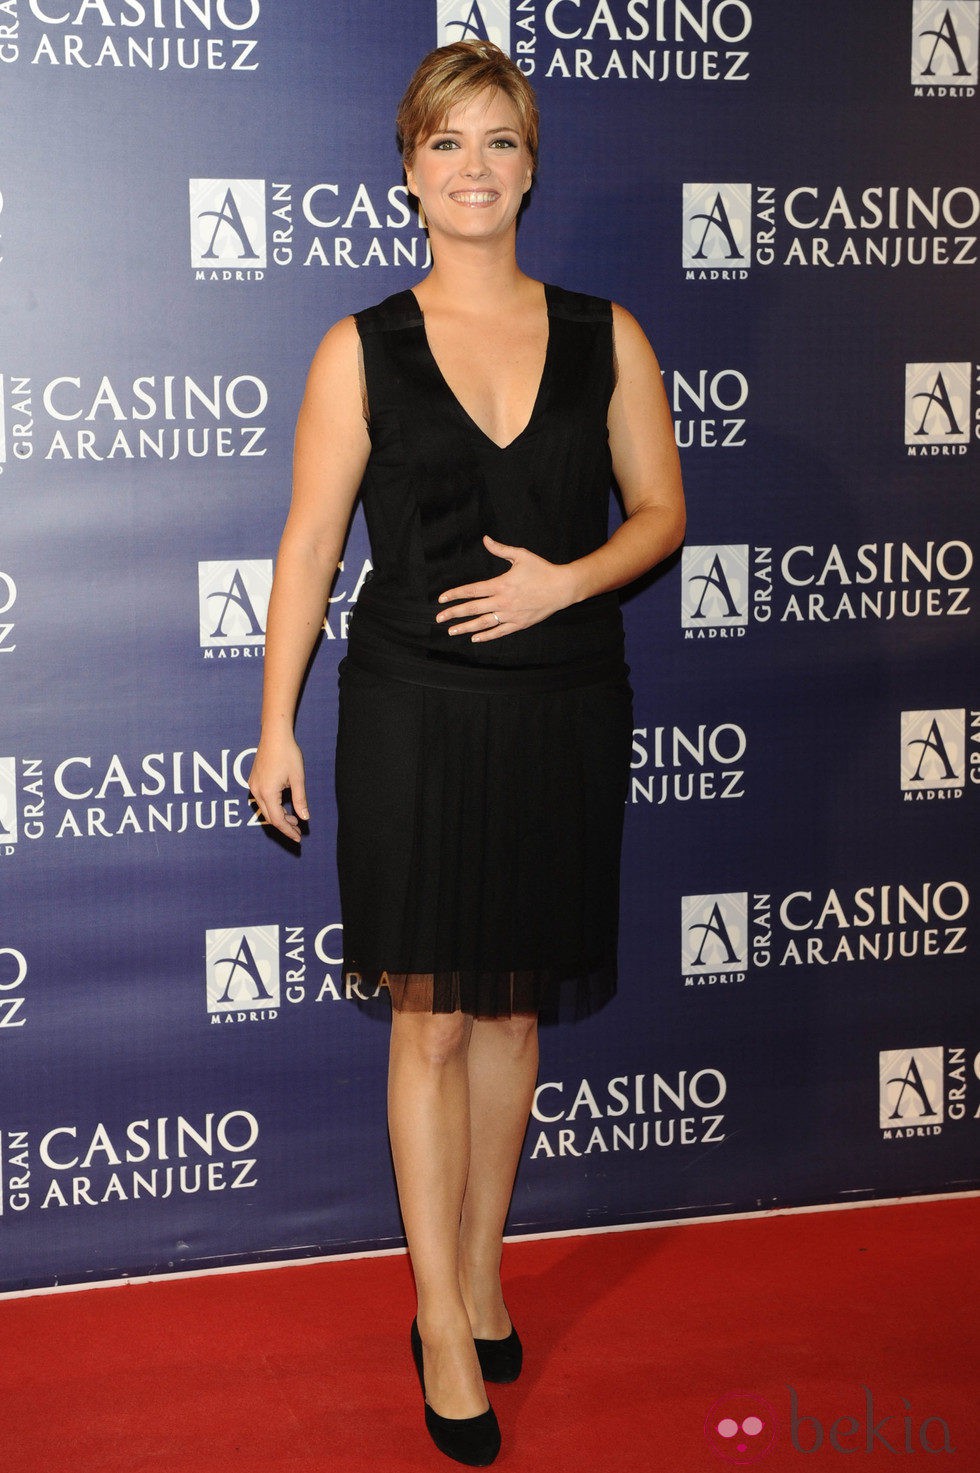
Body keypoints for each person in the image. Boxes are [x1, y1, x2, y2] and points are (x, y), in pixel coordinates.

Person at [248, 39, 685, 1468]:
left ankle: (485, 1263)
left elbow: (660, 512)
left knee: (511, 1015)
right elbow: (310, 546)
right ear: (410, 170)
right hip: (414, 714)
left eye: (500, 141)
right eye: (449, 144)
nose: (475, 168)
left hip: (563, 702)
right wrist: (271, 723)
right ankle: (439, 1313)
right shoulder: (357, 345)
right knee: (431, 1012)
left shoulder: (608, 333)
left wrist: (566, 580)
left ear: (532, 165)